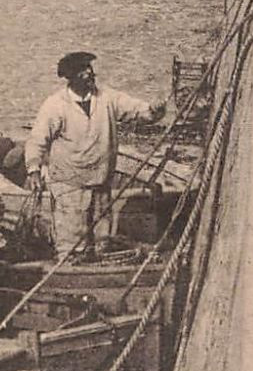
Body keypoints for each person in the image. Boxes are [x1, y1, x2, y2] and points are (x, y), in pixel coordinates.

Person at [24, 52, 166, 255]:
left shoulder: (107, 97)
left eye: (90, 68)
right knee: (72, 242)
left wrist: (153, 110)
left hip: (100, 180)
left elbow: (137, 110)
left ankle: (101, 269)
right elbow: (38, 140)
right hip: (69, 184)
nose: (90, 73)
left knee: (102, 238)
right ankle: (70, 272)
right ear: (71, 77)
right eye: (83, 70)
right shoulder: (55, 105)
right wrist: (33, 169)